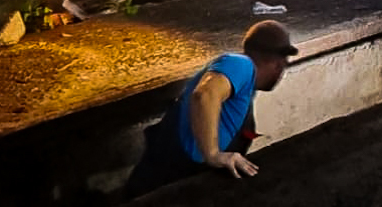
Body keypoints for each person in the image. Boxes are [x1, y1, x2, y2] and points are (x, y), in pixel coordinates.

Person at [123, 20, 298, 198]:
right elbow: (204, 94)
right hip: (162, 183)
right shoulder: (240, 64)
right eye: (283, 65)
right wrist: (213, 154)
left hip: (183, 186)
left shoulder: (244, 86)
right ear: (277, 64)